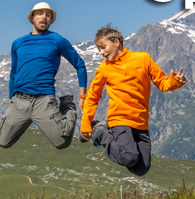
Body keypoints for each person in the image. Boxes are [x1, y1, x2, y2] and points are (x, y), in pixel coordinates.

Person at [80, 26, 186, 176]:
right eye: (99, 50)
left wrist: (175, 81)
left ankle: (104, 132)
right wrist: (86, 125)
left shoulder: (143, 59)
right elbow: (92, 97)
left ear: (116, 42)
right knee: (129, 157)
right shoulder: (104, 68)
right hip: (120, 119)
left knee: (142, 168)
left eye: (103, 47)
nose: (101, 53)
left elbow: (162, 83)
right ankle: (100, 132)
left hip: (141, 122)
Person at [0, 2, 87, 149]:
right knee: (3, 141)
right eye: (40, 13)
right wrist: (10, 99)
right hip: (19, 100)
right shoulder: (18, 43)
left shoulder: (57, 40)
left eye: (48, 14)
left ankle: (68, 106)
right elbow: (13, 73)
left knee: (61, 142)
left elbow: (80, 65)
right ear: (32, 18)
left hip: (44, 100)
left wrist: (83, 97)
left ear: (50, 20)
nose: (44, 17)